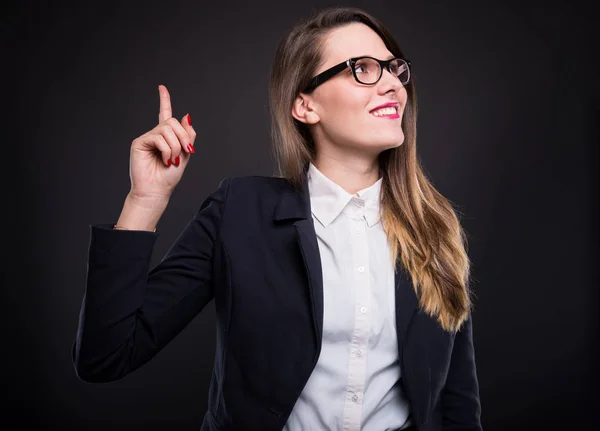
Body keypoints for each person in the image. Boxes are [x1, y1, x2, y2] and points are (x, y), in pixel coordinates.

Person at [72, 6, 482, 431]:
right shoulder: (240, 210)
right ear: (305, 106)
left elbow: (456, 404)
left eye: (394, 69)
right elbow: (106, 357)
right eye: (363, 68)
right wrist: (145, 199)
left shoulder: (435, 225)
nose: (393, 85)